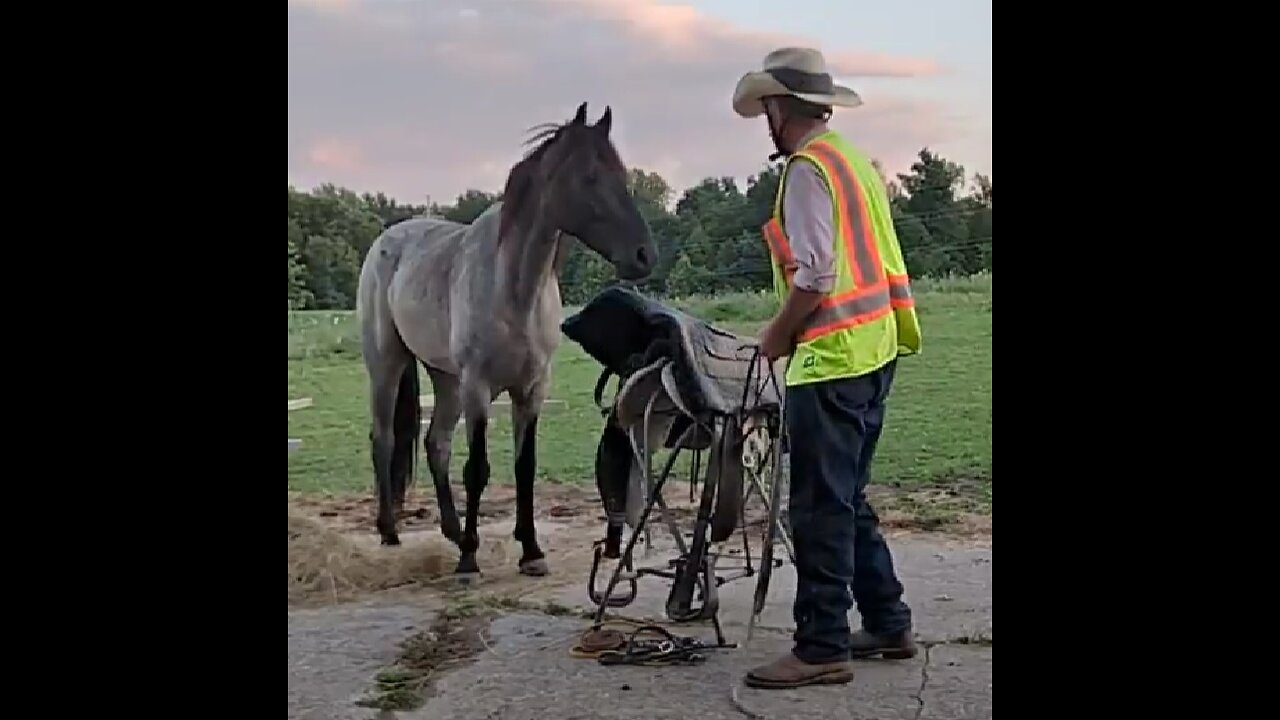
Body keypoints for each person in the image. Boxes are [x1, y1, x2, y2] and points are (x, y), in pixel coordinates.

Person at [731, 47, 925, 690]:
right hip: (876, 348)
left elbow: (817, 275)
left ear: (778, 109)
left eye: (767, 110)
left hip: (833, 360)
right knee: (847, 496)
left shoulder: (809, 171)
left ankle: (820, 646)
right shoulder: (855, 164)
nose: (766, 122)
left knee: (816, 507)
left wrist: (777, 336)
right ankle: (889, 621)